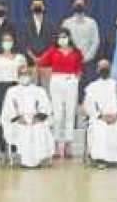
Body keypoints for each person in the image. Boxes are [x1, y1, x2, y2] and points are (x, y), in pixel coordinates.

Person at [37, 28, 82, 158]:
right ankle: (57, 145)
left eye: (65, 37)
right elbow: (40, 63)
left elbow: (79, 68)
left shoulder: (76, 52)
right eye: (60, 37)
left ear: (69, 37)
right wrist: (49, 75)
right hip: (56, 81)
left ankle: (68, 145)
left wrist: (76, 79)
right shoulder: (52, 51)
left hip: (71, 82)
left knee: (70, 113)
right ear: (57, 39)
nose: (63, 39)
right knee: (57, 115)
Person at [1, 65, 54, 168]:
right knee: (23, 129)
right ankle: (24, 160)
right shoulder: (11, 91)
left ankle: (38, 159)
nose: (24, 76)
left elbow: (46, 107)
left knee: (39, 128)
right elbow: (8, 110)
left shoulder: (39, 90)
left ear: (31, 75)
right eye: (22, 74)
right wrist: (18, 118)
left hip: (36, 119)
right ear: (18, 76)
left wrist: (38, 118)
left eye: (26, 74)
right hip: (19, 120)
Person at [84, 59, 117, 168]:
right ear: (98, 70)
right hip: (99, 119)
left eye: (106, 66)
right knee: (99, 128)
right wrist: (101, 116)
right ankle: (100, 160)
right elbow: (89, 105)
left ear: (110, 69)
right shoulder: (92, 87)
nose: (104, 69)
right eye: (102, 67)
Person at [0, 31, 28, 155]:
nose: (7, 43)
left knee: (15, 116)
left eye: (9, 40)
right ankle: (3, 146)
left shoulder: (20, 58)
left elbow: (24, 73)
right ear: (1, 43)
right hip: (0, 87)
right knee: (1, 117)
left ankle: (16, 146)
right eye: (5, 40)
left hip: (15, 88)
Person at [61, 0, 99, 102]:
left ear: (85, 6)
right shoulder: (66, 23)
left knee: (87, 92)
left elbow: (95, 42)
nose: (79, 6)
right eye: (77, 4)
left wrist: (85, 58)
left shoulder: (92, 23)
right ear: (72, 6)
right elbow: (63, 42)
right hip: (70, 63)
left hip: (87, 63)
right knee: (71, 92)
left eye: (81, 4)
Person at [23, 0, 54, 88]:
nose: (37, 7)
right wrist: (34, 58)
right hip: (31, 62)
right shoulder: (25, 23)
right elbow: (23, 43)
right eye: (35, 5)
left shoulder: (50, 24)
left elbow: (52, 43)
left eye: (39, 5)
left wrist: (43, 58)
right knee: (31, 89)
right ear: (31, 7)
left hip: (47, 63)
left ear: (44, 7)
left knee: (47, 90)